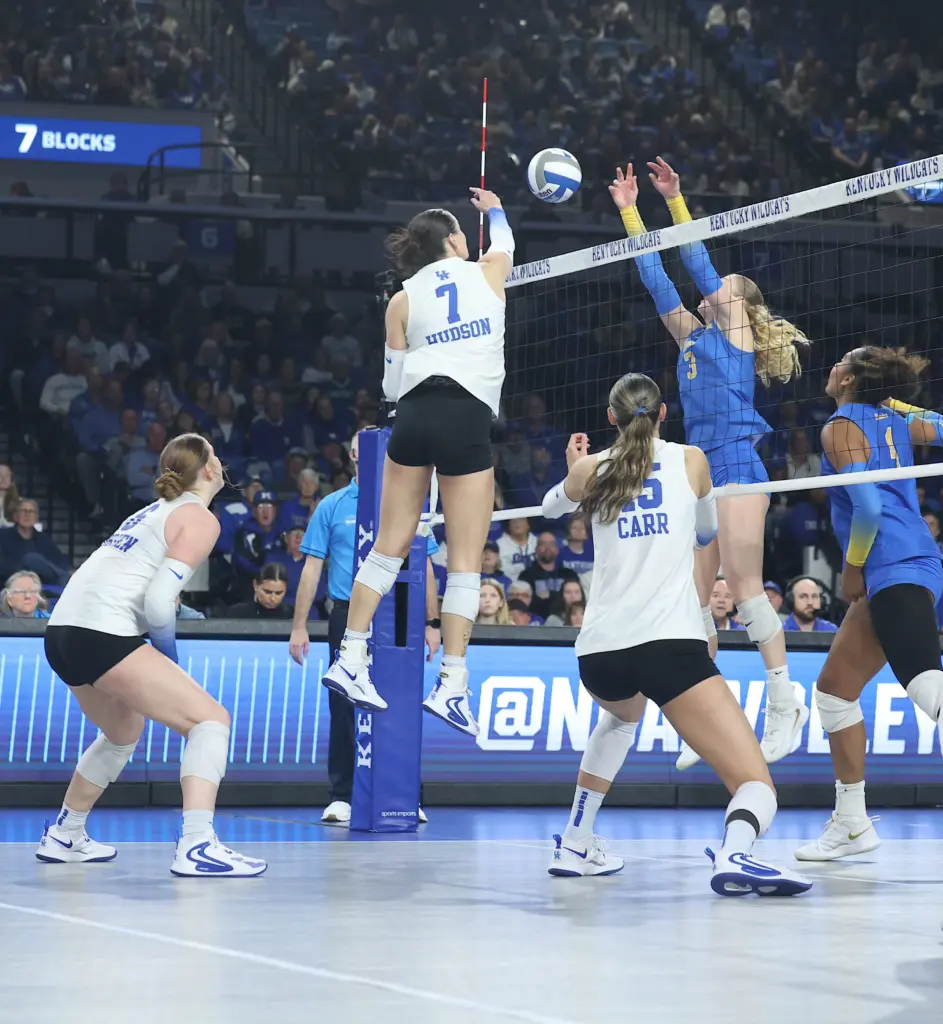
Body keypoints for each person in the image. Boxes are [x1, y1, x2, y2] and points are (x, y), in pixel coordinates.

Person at [541, 373, 810, 895]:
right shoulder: (691, 460)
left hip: (599, 654)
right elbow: (707, 533)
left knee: (621, 719)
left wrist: (575, 468)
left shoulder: (591, 470)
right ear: (663, 413)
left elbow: (552, 506)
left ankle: (575, 840)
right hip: (669, 647)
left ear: (611, 418)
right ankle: (736, 854)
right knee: (755, 784)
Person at [611, 159, 809, 770]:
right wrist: (630, 212)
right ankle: (713, 721)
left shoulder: (736, 332)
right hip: (699, 470)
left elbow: (697, 265)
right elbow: (656, 280)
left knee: (745, 589)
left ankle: (785, 702)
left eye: (729, 286)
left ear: (742, 305)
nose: (718, 286)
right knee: (694, 601)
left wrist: (676, 202)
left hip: (739, 463)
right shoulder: (691, 337)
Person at [321, 188, 514, 738]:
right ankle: (452, 684)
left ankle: (350, 657)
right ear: (453, 239)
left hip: (413, 415)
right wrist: (495, 210)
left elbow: (389, 385)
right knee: (465, 563)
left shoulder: (401, 299)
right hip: (465, 416)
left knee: (387, 548)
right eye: (462, 231)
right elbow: (505, 242)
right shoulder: (488, 272)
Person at [37, 433, 266, 876]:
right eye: (215, 455)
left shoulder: (151, 511)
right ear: (209, 470)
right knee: (209, 720)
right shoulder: (199, 517)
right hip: (103, 632)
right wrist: (167, 657)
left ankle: (66, 833)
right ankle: (198, 845)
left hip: (62, 633)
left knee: (123, 731)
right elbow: (160, 602)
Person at [795, 348, 943, 862]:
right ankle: (852, 823)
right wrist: (897, 406)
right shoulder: (895, 420)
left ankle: (852, 823)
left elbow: (869, 507)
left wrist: (852, 566)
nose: (831, 368)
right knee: (835, 692)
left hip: (890, 564)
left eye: (840, 362)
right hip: (914, 561)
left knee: (927, 688)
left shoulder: (838, 428)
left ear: (849, 379)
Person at [288, 428, 442, 825]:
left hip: (399, 615)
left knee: (400, 703)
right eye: (362, 452)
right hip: (347, 613)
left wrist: (432, 621)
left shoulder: (409, 502)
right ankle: (341, 795)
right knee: (343, 704)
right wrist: (299, 625)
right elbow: (312, 568)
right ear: (354, 456)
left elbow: (425, 564)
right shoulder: (332, 505)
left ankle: (406, 794)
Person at [0, 499, 71, 586]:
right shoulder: (3, 535)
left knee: (34, 560)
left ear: (37, 518)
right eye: (23, 511)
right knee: (30, 558)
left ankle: (65, 579)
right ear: (15, 516)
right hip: (11, 581)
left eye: (31, 511)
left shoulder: (44, 539)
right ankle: (67, 580)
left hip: (40, 583)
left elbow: (56, 564)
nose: (27, 514)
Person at [519, 532, 581, 620]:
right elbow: (528, 603)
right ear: (536, 549)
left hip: (567, 620)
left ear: (557, 549)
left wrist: (549, 595)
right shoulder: (526, 576)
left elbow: (578, 601)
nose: (547, 548)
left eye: (551, 544)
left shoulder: (569, 574)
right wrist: (559, 596)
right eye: (543, 544)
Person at [226, 562, 292, 618]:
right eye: (267, 592)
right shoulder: (237, 613)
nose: (272, 598)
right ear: (255, 585)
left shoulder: (292, 615)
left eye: (278, 593)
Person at [496, 516, 537, 583]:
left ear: (528, 524)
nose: (516, 522)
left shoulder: (538, 543)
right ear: (508, 524)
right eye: (513, 519)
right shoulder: (498, 546)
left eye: (521, 519)